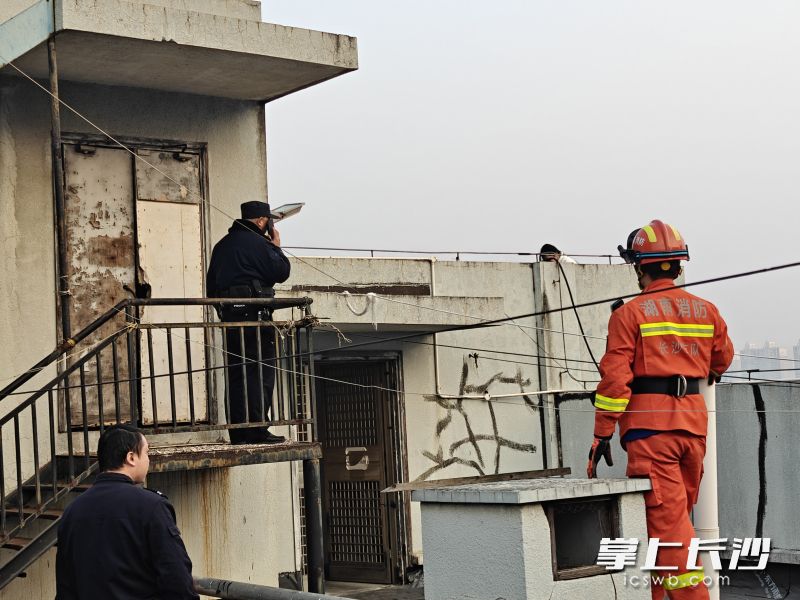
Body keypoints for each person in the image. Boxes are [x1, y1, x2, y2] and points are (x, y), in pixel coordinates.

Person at [587, 220, 733, 600]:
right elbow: (723, 358)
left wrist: (601, 434)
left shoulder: (629, 314)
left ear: (640, 267)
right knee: (666, 528)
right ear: (678, 266)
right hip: (693, 431)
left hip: (652, 437)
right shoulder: (706, 310)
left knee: (669, 537)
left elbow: (616, 383)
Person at [56, 425, 198, 600]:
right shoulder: (152, 506)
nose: (148, 460)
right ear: (131, 457)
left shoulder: (72, 512)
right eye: (146, 453)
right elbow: (178, 581)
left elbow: (65, 589)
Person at [207, 201, 291, 444]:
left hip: (230, 318)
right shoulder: (260, 244)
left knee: (236, 373)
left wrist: (225, 311)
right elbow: (282, 271)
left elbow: (211, 287)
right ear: (263, 221)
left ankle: (238, 433)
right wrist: (276, 247)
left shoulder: (221, 246)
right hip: (256, 317)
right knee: (260, 372)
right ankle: (257, 429)